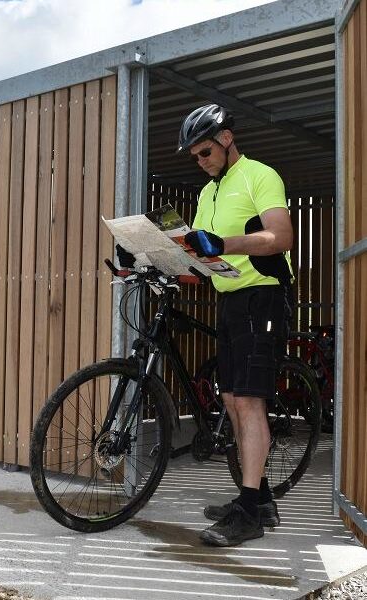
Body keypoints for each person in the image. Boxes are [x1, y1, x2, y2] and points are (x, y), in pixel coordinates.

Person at [119, 103, 294, 547]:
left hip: (265, 295)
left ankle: (250, 511)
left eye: (204, 153)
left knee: (250, 402)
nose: (200, 162)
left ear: (226, 139)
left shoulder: (260, 175)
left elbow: (281, 236)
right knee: (233, 400)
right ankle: (258, 497)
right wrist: (141, 260)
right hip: (231, 298)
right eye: (195, 157)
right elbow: (198, 259)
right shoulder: (207, 194)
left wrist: (225, 242)